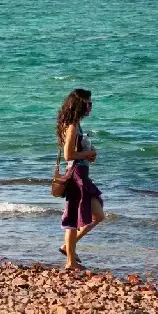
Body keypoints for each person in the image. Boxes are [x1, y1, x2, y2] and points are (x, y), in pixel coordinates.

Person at [56, 88, 104, 271]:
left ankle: (67, 247)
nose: (91, 107)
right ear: (80, 105)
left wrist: (87, 155)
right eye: (88, 103)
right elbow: (69, 154)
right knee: (73, 219)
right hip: (77, 174)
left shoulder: (75, 124)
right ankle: (70, 262)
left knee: (98, 215)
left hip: (82, 173)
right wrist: (87, 153)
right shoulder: (73, 125)